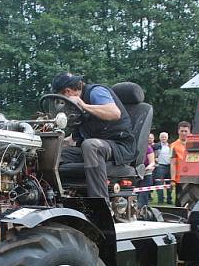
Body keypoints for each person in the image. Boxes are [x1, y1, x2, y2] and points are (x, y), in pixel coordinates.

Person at [52, 72, 136, 201]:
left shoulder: (96, 92)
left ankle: (100, 203)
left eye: (60, 98)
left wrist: (84, 105)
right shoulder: (76, 110)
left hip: (120, 146)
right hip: (96, 148)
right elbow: (73, 139)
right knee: (55, 154)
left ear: (68, 91)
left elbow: (114, 112)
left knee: (91, 145)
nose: (61, 103)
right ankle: (54, 199)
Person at [171, 121, 191, 206]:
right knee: (179, 200)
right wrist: (172, 180)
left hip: (193, 176)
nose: (184, 133)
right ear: (178, 131)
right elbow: (173, 163)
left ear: (189, 131)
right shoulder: (173, 145)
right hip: (180, 178)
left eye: (186, 131)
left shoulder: (195, 143)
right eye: (182, 131)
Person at [153, 132, 172, 204]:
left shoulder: (171, 146)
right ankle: (160, 200)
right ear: (160, 138)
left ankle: (169, 199)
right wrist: (155, 159)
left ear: (167, 138)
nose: (164, 138)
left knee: (169, 184)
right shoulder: (156, 146)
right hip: (160, 166)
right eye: (162, 137)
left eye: (165, 137)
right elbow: (152, 154)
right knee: (159, 184)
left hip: (169, 166)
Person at [137, 141, 156, 208]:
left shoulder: (148, 148)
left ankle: (142, 209)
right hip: (136, 174)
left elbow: (152, 162)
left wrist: (147, 168)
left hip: (146, 174)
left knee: (143, 194)